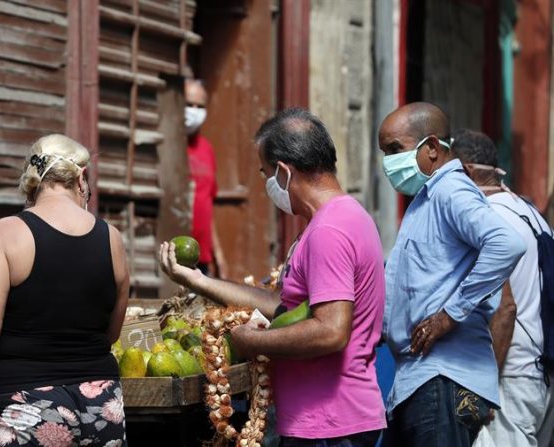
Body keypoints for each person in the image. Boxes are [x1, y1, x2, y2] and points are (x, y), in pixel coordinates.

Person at [160, 108, 386, 446]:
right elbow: (283, 305)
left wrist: (252, 342)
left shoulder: (329, 230)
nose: (268, 184)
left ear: (283, 171)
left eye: (265, 173)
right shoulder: (346, 217)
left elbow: (331, 330)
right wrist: (197, 280)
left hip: (329, 425)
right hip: (334, 420)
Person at [0, 134, 130, 447]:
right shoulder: (111, 238)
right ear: (82, 178)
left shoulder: (6, 233)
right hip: (102, 405)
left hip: (29, 407)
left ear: (32, 182)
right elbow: (111, 332)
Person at [378, 103, 526, 447]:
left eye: (395, 150)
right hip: (419, 379)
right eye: (384, 152)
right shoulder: (425, 199)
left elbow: (506, 243)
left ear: (431, 148)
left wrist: (449, 314)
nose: (388, 163)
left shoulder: (450, 190)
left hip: (442, 380)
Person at [452, 128, 554, 447]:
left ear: (466, 172)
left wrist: (485, 387)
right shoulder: (528, 212)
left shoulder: (488, 219)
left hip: (510, 378)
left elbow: (505, 308)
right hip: (538, 376)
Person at [185, 79, 228, 278]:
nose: (194, 111)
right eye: (188, 104)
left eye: (199, 106)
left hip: (201, 258)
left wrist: (217, 253)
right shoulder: (168, 147)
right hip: (175, 252)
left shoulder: (206, 148)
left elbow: (207, 203)